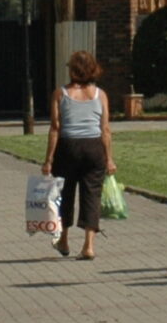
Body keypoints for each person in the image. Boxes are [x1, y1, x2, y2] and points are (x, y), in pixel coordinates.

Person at [39, 51, 115, 261]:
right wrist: (109, 158)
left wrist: (48, 160)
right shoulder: (100, 95)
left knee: (65, 195)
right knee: (92, 195)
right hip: (94, 149)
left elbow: (55, 128)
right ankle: (89, 245)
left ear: (72, 69)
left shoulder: (60, 94)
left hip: (68, 148)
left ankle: (63, 239)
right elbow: (105, 129)